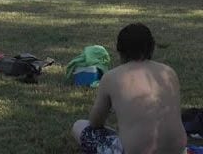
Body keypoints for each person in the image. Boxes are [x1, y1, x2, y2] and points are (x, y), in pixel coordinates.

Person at [71, 23, 186, 154]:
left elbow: (95, 122)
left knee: (79, 126)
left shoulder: (111, 77)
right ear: (151, 48)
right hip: (178, 150)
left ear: (120, 51)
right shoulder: (169, 72)